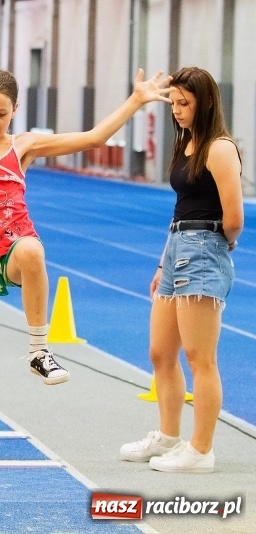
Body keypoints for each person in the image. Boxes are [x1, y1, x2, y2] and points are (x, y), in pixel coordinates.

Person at [0, 68, 171, 384]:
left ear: (15, 110)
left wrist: (136, 100)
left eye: (1, 114)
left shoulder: (24, 145)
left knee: (32, 251)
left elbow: (93, 138)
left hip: (15, 247)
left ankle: (38, 351)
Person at [119, 67, 244, 474]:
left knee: (199, 356)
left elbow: (234, 218)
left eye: (184, 103)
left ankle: (201, 450)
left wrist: (218, 245)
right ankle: (169, 437)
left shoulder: (220, 148)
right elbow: (180, 211)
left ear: (205, 103)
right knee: (160, 352)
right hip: (177, 248)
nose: (176, 109)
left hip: (204, 249)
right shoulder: (187, 143)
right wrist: (163, 262)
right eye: (173, 102)